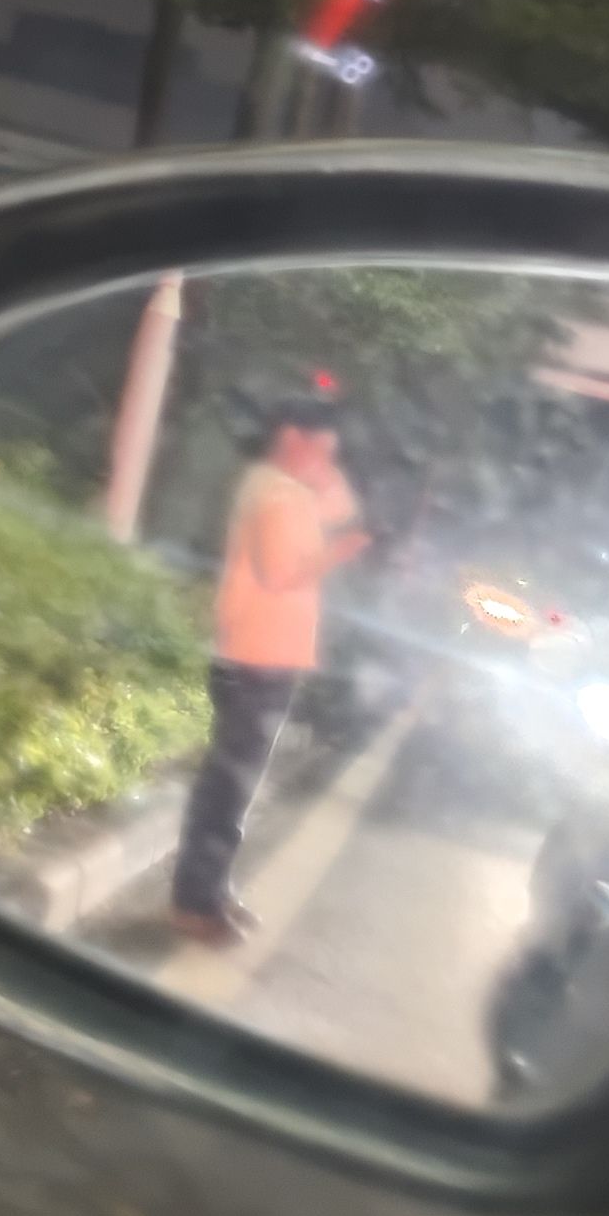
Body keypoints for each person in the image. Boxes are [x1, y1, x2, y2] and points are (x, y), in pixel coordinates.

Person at [169, 396, 370, 945]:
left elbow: (341, 510)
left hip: (268, 654)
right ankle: (194, 903)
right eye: (321, 450)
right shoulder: (274, 496)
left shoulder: (290, 490)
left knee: (235, 784)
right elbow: (280, 575)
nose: (327, 463)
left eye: (331, 454)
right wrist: (341, 552)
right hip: (254, 656)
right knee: (228, 786)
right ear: (291, 439)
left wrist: (324, 475)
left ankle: (211, 889)